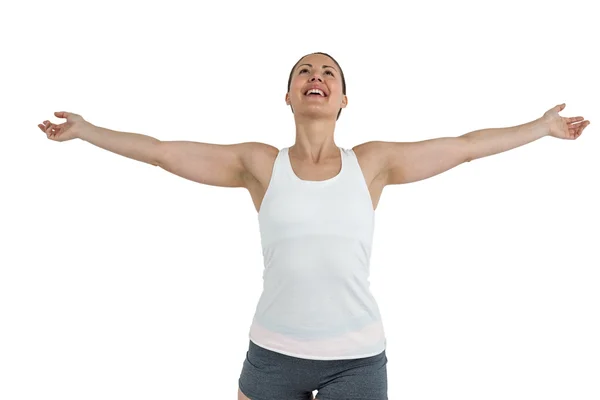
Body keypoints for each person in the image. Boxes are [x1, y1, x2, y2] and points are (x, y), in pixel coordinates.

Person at [38, 52, 590, 400]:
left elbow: (466, 148)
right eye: (304, 70)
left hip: (357, 361)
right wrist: (88, 131)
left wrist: (540, 128)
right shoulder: (258, 164)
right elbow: (160, 152)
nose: (315, 76)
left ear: (344, 98)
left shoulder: (372, 163)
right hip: (272, 357)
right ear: (289, 95)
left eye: (329, 71)